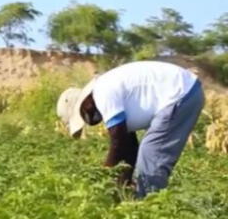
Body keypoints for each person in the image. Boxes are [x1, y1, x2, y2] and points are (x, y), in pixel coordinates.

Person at [56, 61, 204, 198]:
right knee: (147, 154)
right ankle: (148, 201)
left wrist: (105, 177)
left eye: (86, 117)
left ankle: (150, 209)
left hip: (181, 94)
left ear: (85, 104)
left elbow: (118, 142)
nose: (91, 120)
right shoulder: (111, 95)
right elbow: (129, 148)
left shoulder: (103, 92)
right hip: (186, 91)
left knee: (151, 154)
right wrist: (123, 183)